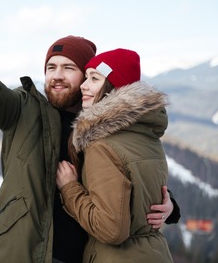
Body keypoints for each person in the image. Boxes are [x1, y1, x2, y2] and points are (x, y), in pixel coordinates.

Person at [0, 19, 180, 263]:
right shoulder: (23, 110)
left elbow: (121, 178)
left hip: (82, 255)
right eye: (51, 68)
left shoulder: (105, 128)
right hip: (19, 252)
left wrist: (167, 205)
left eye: (68, 68)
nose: (57, 76)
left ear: (87, 76)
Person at [56, 48, 174, 262]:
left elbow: (111, 229)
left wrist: (69, 189)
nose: (84, 84)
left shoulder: (102, 145)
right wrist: (172, 206)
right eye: (86, 77)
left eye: (94, 78)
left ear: (114, 89)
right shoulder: (145, 133)